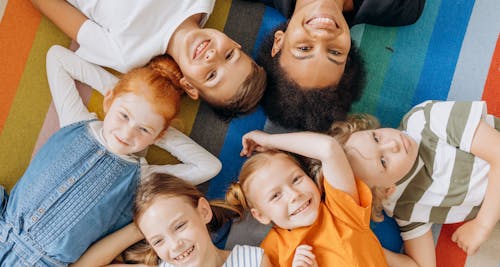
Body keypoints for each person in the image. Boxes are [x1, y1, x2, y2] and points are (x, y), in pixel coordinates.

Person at [0, 45, 222, 266]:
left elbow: (209, 166)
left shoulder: (142, 178)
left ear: (157, 136)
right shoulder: (75, 120)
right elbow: (57, 57)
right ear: (108, 102)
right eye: (123, 115)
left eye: (143, 130)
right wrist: (123, 94)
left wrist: (159, 127)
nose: (127, 133)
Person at [321, 100, 500, 267]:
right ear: (386, 190)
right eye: (383, 161)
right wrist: (367, 247)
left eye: (376, 137)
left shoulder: (424, 121)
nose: (392, 144)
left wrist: (482, 224)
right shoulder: (403, 205)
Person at [30, 0, 266, 118]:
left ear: (189, 87)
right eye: (229, 55)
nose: (212, 56)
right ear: (235, 43)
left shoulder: (126, 56)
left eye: (212, 75)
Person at [224, 129, 396, 266]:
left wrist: (269, 140)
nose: (294, 195)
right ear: (260, 215)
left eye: (297, 179)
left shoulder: (340, 210)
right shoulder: (270, 253)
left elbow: (329, 148)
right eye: (276, 196)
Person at [253, 0, 425, 131]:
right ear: (348, 56)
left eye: (304, 48)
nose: (322, 34)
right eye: (334, 53)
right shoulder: (401, 6)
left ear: (279, 42)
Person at [72, 173, 273, 267]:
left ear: (203, 211)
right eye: (158, 240)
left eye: (179, 226)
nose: (175, 244)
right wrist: (141, 228)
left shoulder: (253, 261)